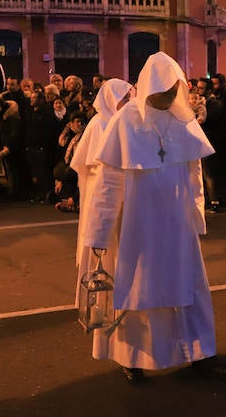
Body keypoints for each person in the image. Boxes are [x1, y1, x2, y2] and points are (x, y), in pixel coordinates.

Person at [81, 52, 226, 383]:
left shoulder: (183, 121)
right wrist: (99, 236)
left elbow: (194, 174)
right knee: (139, 293)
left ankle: (200, 353)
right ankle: (133, 359)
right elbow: (107, 185)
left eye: (173, 89)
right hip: (140, 228)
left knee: (191, 288)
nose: (168, 97)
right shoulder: (125, 122)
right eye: (163, 90)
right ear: (149, 88)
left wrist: (196, 217)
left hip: (178, 227)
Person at [70, 78, 133, 303]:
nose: (128, 101)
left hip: (122, 192)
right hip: (103, 192)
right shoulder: (100, 124)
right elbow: (94, 164)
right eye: (124, 97)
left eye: (129, 96)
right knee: (105, 242)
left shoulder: (123, 123)